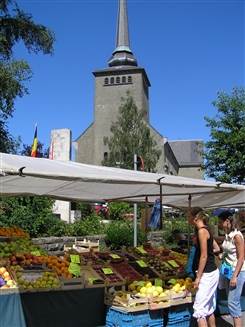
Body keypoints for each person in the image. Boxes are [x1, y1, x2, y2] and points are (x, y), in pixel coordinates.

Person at [188, 207, 220, 327]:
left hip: (207, 274)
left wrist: (198, 277)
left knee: (199, 310)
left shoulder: (201, 231)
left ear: (195, 217)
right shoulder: (206, 230)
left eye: (188, 216)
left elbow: (204, 256)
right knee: (209, 309)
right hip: (212, 272)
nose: (187, 218)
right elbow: (217, 248)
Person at [218, 210, 245, 327]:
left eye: (220, 221)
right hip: (229, 271)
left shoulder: (237, 236)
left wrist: (235, 276)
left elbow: (241, 258)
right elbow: (227, 251)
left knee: (233, 302)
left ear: (227, 221)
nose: (219, 224)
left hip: (237, 272)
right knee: (232, 301)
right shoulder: (228, 235)